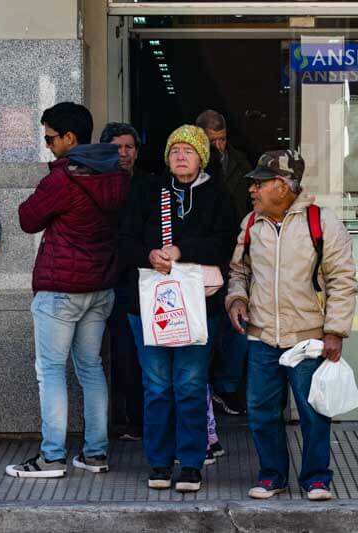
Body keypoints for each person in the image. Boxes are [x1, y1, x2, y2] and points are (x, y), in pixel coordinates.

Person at [5, 102, 129, 478]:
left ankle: (52, 457)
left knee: (52, 371)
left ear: (70, 138)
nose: (47, 145)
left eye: (50, 138)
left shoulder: (63, 178)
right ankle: (95, 454)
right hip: (100, 287)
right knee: (91, 368)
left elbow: (27, 218)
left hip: (60, 289)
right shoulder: (117, 176)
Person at [226, 150, 357, 501]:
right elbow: (239, 272)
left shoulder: (321, 222)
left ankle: (316, 478)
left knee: (314, 411)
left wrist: (335, 331)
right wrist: (236, 299)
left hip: (308, 338)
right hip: (262, 336)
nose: (252, 189)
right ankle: (272, 475)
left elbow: (342, 280)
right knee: (261, 411)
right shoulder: (252, 224)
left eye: (260, 183)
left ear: (283, 186)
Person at [119, 124, 236, 493]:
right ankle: (158, 461)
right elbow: (124, 240)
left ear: (202, 157)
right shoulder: (146, 191)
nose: (180, 156)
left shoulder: (218, 195)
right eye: (174, 151)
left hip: (200, 305)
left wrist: (183, 251)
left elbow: (225, 243)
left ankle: (190, 462)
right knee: (156, 386)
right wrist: (148, 254)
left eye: (188, 150)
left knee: (189, 384)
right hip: (150, 304)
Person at [195, 110, 250, 416]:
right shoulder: (192, 167)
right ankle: (204, 387)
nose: (218, 147)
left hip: (236, 254)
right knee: (205, 325)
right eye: (211, 141)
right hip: (204, 258)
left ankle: (227, 387)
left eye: (222, 139)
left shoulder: (241, 164)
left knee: (237, 324)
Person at [99, 122, 147, 441]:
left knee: (133, 353)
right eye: (118, 147)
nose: (125, 153)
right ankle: (116, 416)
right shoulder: (98, 185)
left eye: (130, 147)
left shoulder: (146, 186)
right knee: (108, 354)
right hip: (103, 277)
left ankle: (135, 419)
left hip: (136, 281)